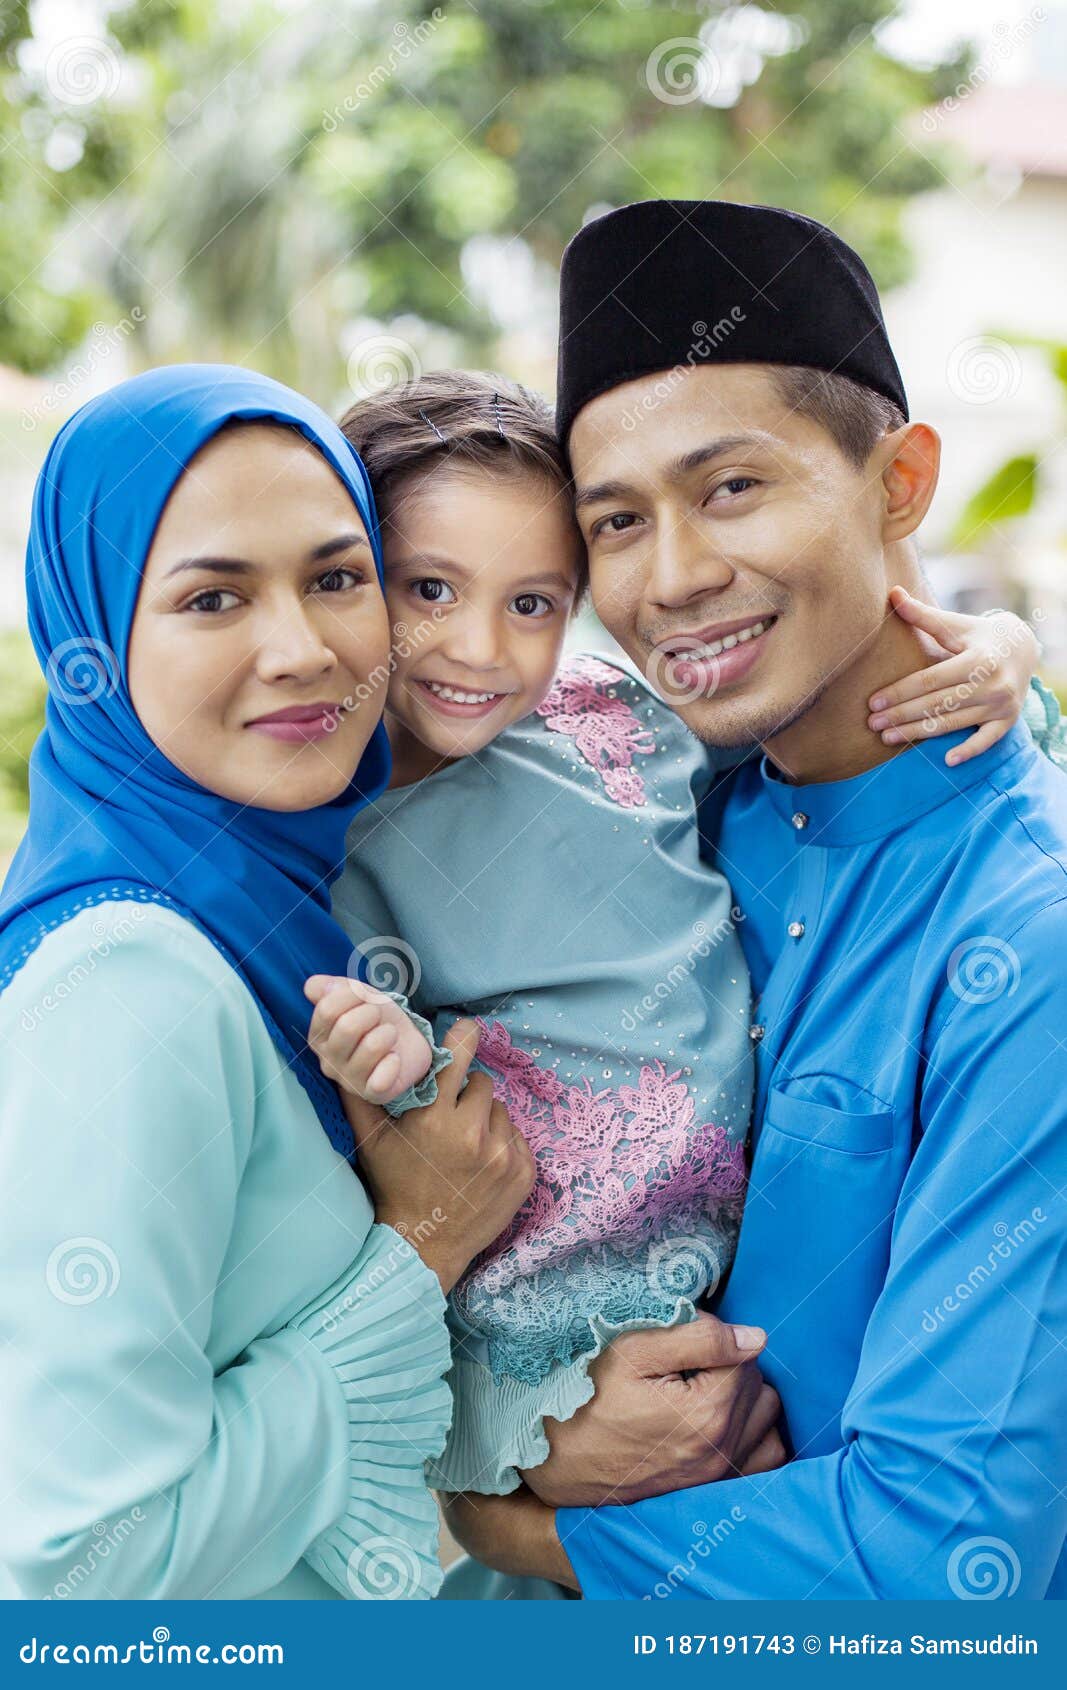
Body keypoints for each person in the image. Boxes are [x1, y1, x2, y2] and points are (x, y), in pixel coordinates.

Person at [298, 370, 1062, 1578]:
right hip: (522, 1381)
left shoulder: (622, 737)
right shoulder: (302, 869)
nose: (478, 646)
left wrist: (1009, 654)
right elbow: (308, 1294)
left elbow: (947, 1551)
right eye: (425, 588)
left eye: (535, 598)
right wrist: (493, 1452)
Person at [0, 364, 531, 1601]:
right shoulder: (134, 982)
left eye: (338, 579)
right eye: (211, 598)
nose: (300, 650)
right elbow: (77, 1577)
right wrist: (419, 1250)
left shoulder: (285, 917)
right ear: (92, 636)